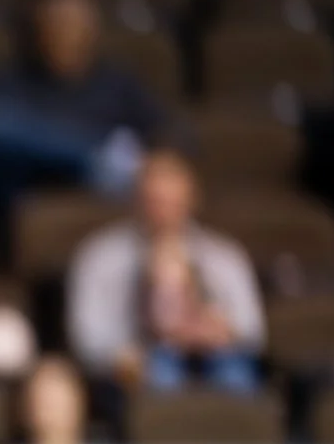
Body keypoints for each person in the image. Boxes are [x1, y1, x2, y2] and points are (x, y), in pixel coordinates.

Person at [0, 0, 172, 262]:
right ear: (38, 31)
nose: (66, 34)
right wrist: (81, 152)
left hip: (102, 195)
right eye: (57, 24)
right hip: (29, 190)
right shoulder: (9, 80)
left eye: (75, 25)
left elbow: (171, 131)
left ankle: (101, 161)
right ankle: (96, 157)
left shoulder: (117, 84)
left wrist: (159, 159)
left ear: (92, 31)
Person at [68, 148, 266, 394]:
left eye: (173, 203)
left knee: (235, 375)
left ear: (193, 200)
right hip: (134, 367)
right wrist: (132, 353)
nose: (163, 213)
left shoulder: (225, 257)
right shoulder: (100, 256)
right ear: (136, 200)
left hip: (217, 361)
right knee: (161, 374)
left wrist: (214, 331)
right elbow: (88, 341)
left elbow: (253, 331)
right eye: (155, 202)